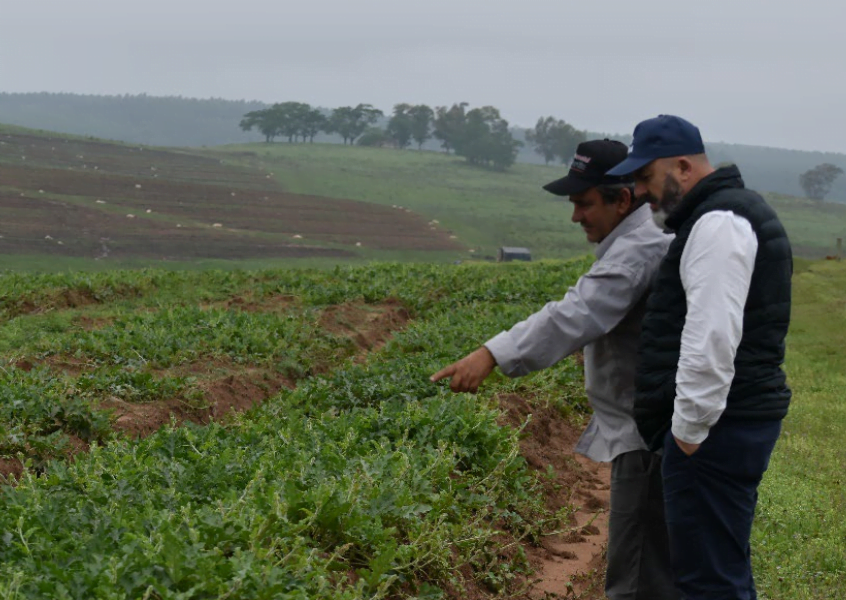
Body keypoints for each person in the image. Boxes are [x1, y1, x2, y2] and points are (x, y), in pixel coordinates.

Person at [431, 139, 677, 600]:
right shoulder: (637, 246)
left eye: (584, 204)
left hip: (645, 441)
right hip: (647, 432)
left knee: (638, 579)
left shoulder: (635, 255)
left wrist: (491, 355)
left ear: (622, 199)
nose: (575, 216)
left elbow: (574, 314)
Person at [606, 115, 792, 600]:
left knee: (708, 583)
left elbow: (711, 340)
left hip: (714, 431)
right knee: (718, 571)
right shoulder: (722, 217)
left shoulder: (717, 224)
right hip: (727, 424)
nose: (642, 192)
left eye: (647, 177)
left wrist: (686, 434)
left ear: (683, 166)